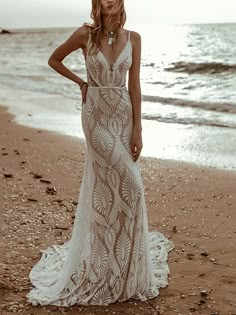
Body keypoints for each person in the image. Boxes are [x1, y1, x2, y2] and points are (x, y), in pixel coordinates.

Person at [27, 0, 174, 307]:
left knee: (120, 190)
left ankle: (120, 266)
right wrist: (81, 82)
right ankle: (106, 263)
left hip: (122, 117)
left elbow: (134, 86)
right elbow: (55, 59)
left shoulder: (134, 38)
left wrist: (138, 129)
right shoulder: (85, 34)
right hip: (95, 117)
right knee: (128, 188)